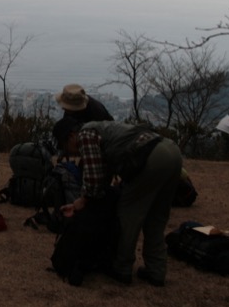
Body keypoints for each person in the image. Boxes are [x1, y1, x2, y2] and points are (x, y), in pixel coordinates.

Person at [54, 117, 182, 287]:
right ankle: (156, 270)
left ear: (71, 136)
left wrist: (81, 201)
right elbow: (104, 176)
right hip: (172, 152)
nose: (70, 153)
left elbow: (93, 181)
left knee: (128, 214)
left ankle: (121, 268)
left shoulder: (84, 135)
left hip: (151, 159)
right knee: (156, 217)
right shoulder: (102, 128)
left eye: (65, 147)